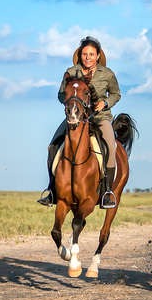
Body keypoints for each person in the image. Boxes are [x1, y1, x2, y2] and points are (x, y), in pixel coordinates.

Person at [38, 36, 121, 209]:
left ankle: (106, 192)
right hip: (75, 117)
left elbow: (116, 94)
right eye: (85, 54)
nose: (88, 57)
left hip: (100, 118)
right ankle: (52, 189)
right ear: (80, 55)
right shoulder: (71, 72)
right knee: (52, 145)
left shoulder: (107, 74)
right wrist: (70, 102)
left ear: (98, 55)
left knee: (110, 147)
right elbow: (61, 94)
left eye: (91, 54)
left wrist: (104, 103)